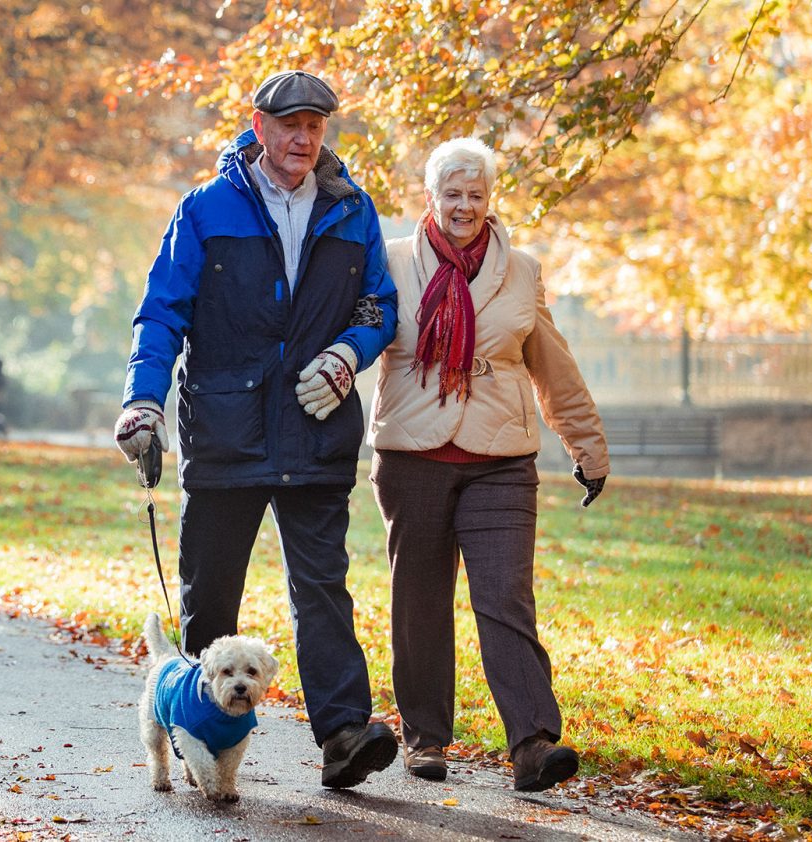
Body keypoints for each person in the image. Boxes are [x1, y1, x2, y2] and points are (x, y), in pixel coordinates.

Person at [114, 70, 400, 789]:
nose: (304, 138)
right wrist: (142, 402)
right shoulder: (207, 209)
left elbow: (378, 307)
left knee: (323, 589)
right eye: (291, 124)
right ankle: (197, 726)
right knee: (210, 594)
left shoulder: (351, 209)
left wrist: (346, 356)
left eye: (316, 125)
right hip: (225, 428)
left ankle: (342, 735)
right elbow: (161, 312)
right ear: (260, 125)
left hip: (315, 427)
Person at [366, 138, 609, 790]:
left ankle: (532, 743)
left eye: (476, 194)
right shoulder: (388, 263)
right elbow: (353, 339)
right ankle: (426, 741)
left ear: (490, 199)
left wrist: (587, 447)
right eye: (452, 193)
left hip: (501, 460)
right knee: (419, 601)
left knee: (505, 598)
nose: (463, 206)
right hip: (412, 457)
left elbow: (553, 369)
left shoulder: (522, 270)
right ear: (430, 197)